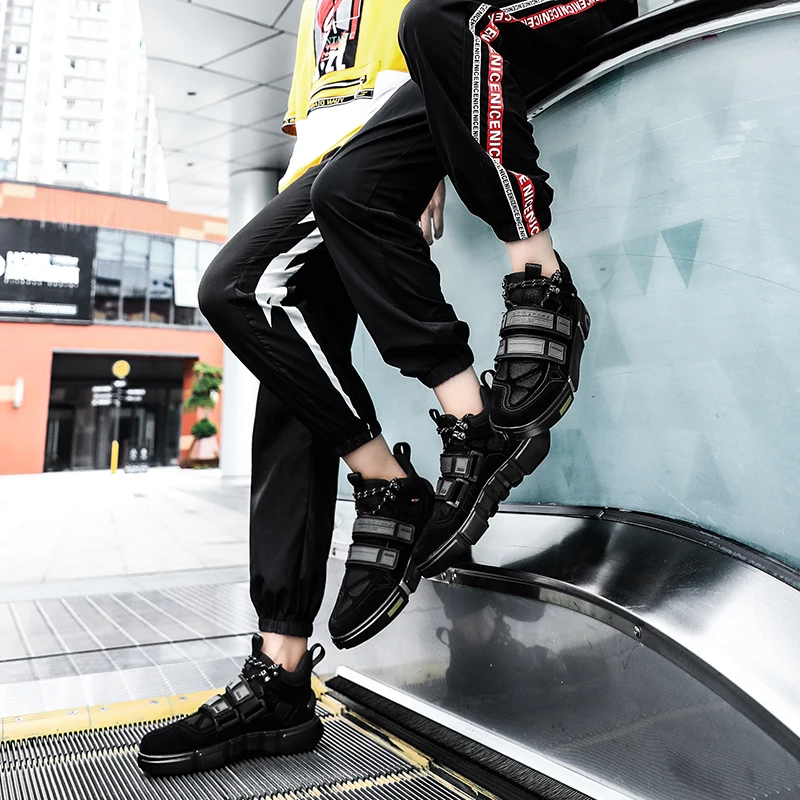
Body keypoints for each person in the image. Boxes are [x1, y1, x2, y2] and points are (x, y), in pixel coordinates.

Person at [137, 0, 637, 776]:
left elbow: (444, 28)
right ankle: (283, 664)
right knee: (290, 389)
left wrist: (431, 139)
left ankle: (416, 483)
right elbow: (319, 97)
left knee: (251, 297)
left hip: (395, 123)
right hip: (328, 165)